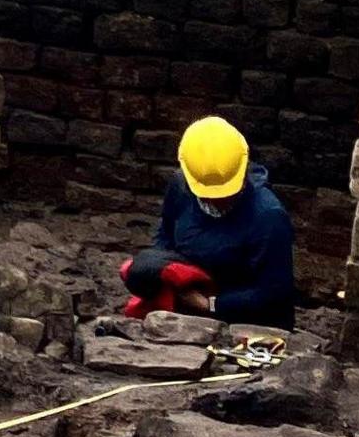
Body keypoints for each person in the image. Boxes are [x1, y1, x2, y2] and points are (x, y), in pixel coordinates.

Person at [124, 115, 296, 322]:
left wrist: (211, 304)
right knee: (140, 269)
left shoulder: (268, 217)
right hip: (188, 291)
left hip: (242, 313)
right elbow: (165, 237)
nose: (218, 199)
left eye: (225, 193)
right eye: (210, 194)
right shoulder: (180, 187)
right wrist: (170, 277)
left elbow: (273, 294)